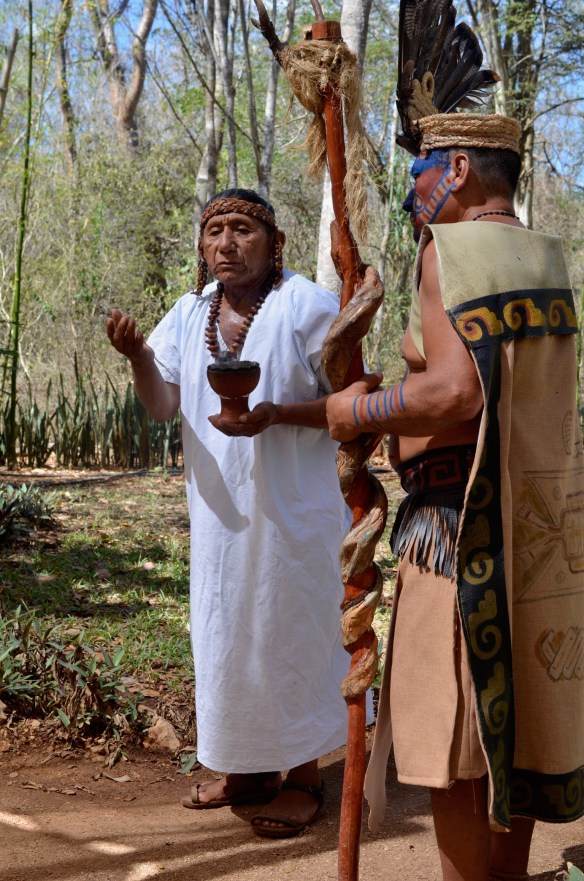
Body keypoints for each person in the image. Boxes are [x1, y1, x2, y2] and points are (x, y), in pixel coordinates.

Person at [326, 112, 584, 881]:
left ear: (461, 168)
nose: (413, 191)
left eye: (422, 172)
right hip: (541, 534)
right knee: (520, 728)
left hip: (458, 532)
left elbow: (455, 394)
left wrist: (357, 411)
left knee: (456, 737)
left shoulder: (450, 252)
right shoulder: (546, 253)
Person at [106, 188, 361, 839]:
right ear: (201, 245)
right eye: (214, 229)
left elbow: (354, 399)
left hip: (292, 515)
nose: (226, 241)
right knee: (228, 635)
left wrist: (277, 414)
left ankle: (304, 776)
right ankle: (248, 769)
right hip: (221, 519)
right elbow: (163, 403)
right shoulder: (191, 312)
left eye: (242, 228)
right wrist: (138, 354)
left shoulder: (306, 305)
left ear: (274, 243)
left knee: (289, 632)